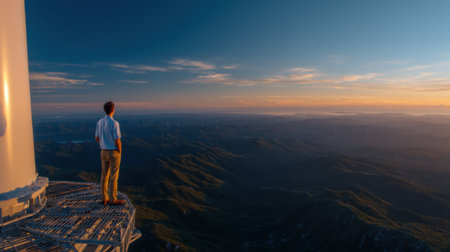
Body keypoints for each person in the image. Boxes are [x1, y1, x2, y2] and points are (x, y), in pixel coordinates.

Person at [95, 101, 125, 205]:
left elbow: (96, 137)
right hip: (113, 152)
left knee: (104, 175)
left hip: (103, 151)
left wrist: (102, 144)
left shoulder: (99, 122)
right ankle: (113, 199)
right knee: (113, 176)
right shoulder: (114, 123)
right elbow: (117, 140)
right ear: (113, 110)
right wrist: (119, 150)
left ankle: (104, 198)